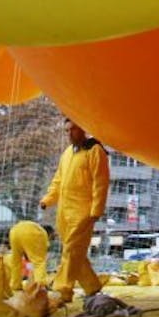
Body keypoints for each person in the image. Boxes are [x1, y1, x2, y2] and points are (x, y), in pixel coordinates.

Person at [40, 118, 110, 301]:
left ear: (83, 129)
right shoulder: (67, 154)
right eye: (67, 130)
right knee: (75, 252)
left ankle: (62, 290)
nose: (69, 134)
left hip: (83, 211)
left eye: (73, 129)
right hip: (64, 212)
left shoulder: (95, 151)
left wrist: (96, 210)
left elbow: (100, 183)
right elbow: (58, 181)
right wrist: (48, 200)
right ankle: (92, 287)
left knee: (71, 250)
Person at [8, 220, 52, 288]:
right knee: (39, 262)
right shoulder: (42, 234)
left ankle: (15, 285)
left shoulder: (36, 227)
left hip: (14, 230)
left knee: (16, 261)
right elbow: (39, 259)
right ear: (49, 234)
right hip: (31, 232)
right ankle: (40, 286)